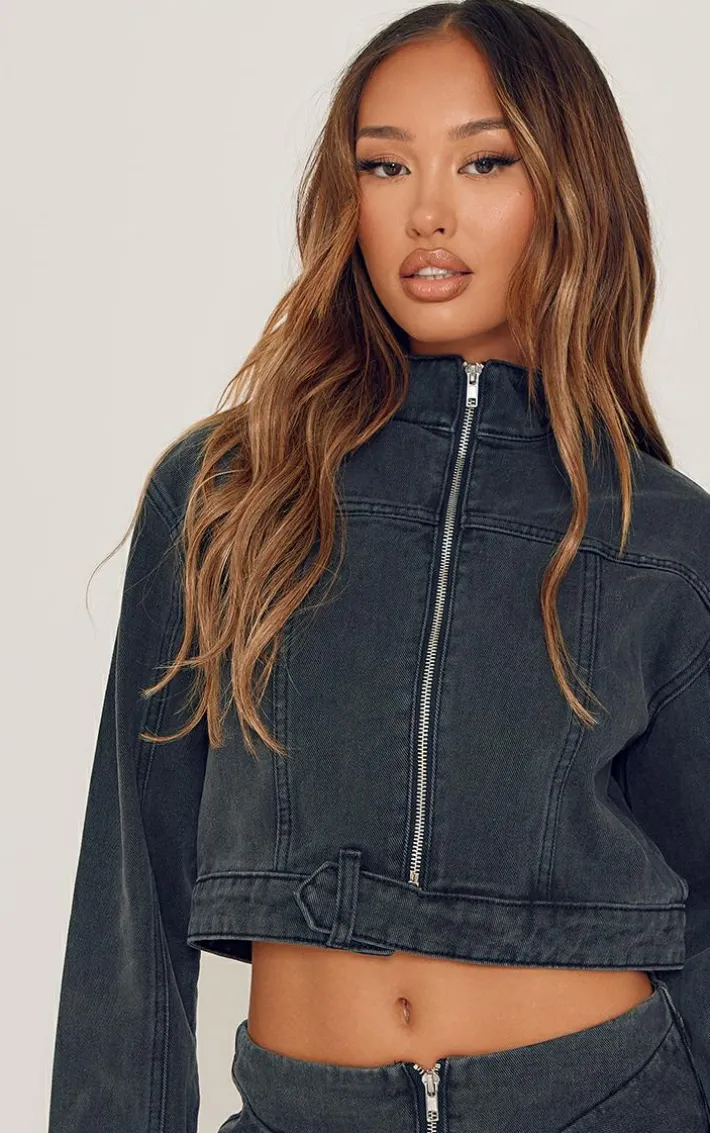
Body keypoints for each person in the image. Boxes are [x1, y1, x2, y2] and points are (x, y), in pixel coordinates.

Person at [48, 2, 710, 1131]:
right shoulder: (228, 493)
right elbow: (133, 905)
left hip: (605, 1101)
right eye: (385, 165)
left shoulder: (663, 534)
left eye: (485, 160)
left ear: (571, 190)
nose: (428, 211)